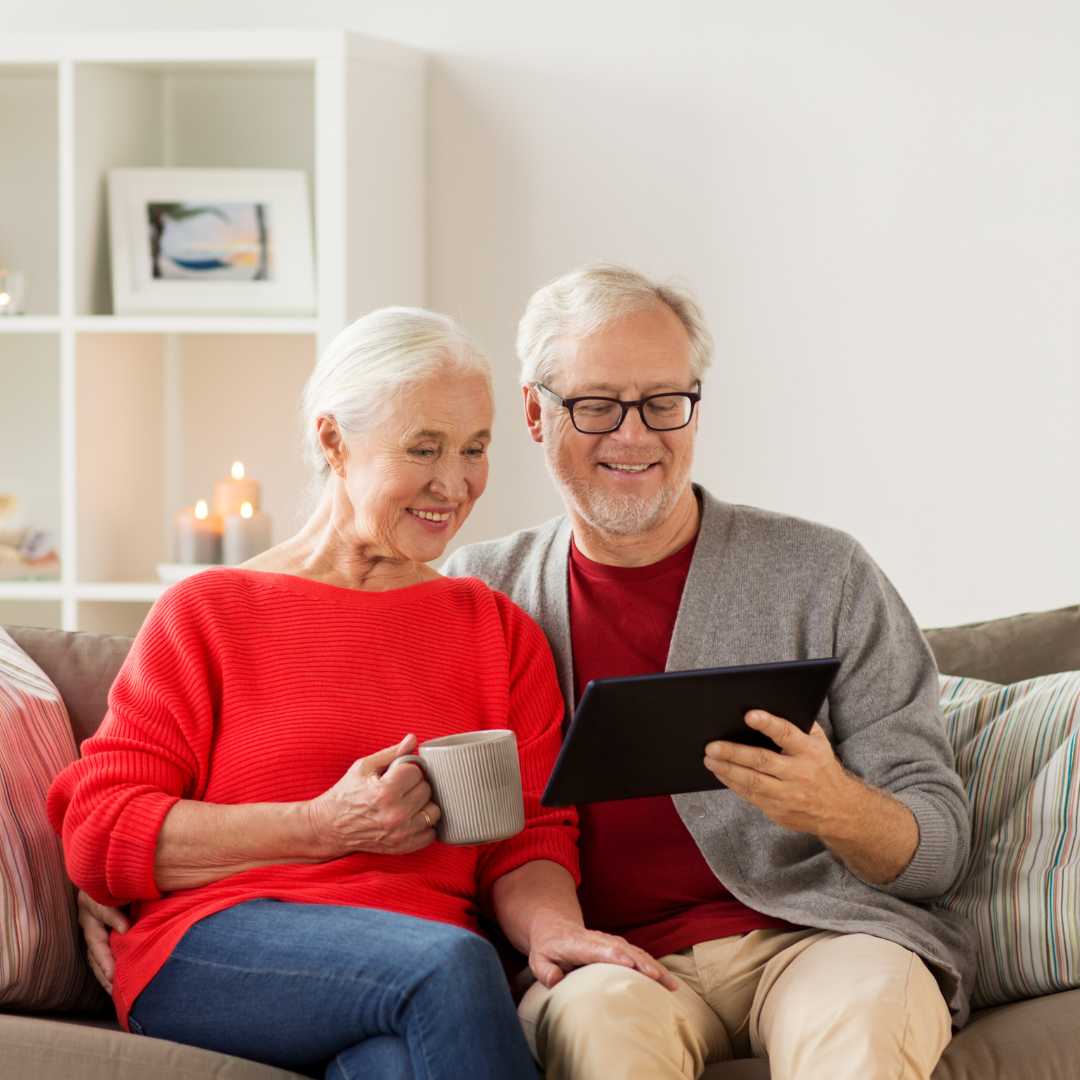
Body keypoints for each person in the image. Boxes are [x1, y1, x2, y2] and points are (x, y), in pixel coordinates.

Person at [49, 307, 676, 1080]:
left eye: (475, 448)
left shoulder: (495, 630)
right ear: (333, 441)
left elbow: (533, 838)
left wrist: (552, 930)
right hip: (222, 949)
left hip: (416, 976)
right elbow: (102, 830)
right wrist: (320, 826)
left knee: (397, 1063)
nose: (455, 483)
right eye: (424, 448)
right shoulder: (210, 611)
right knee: (448, 965)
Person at [439, 265, 977, 1080]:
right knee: (601, 1035)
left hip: (822, 940)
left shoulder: (821, 572)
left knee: (866, 1021)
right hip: (607, 963)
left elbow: (939, 850)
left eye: (664, 401)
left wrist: (840, 808)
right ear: (534, 413)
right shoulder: (476, 593)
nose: (634, 436)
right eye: (596, 405)